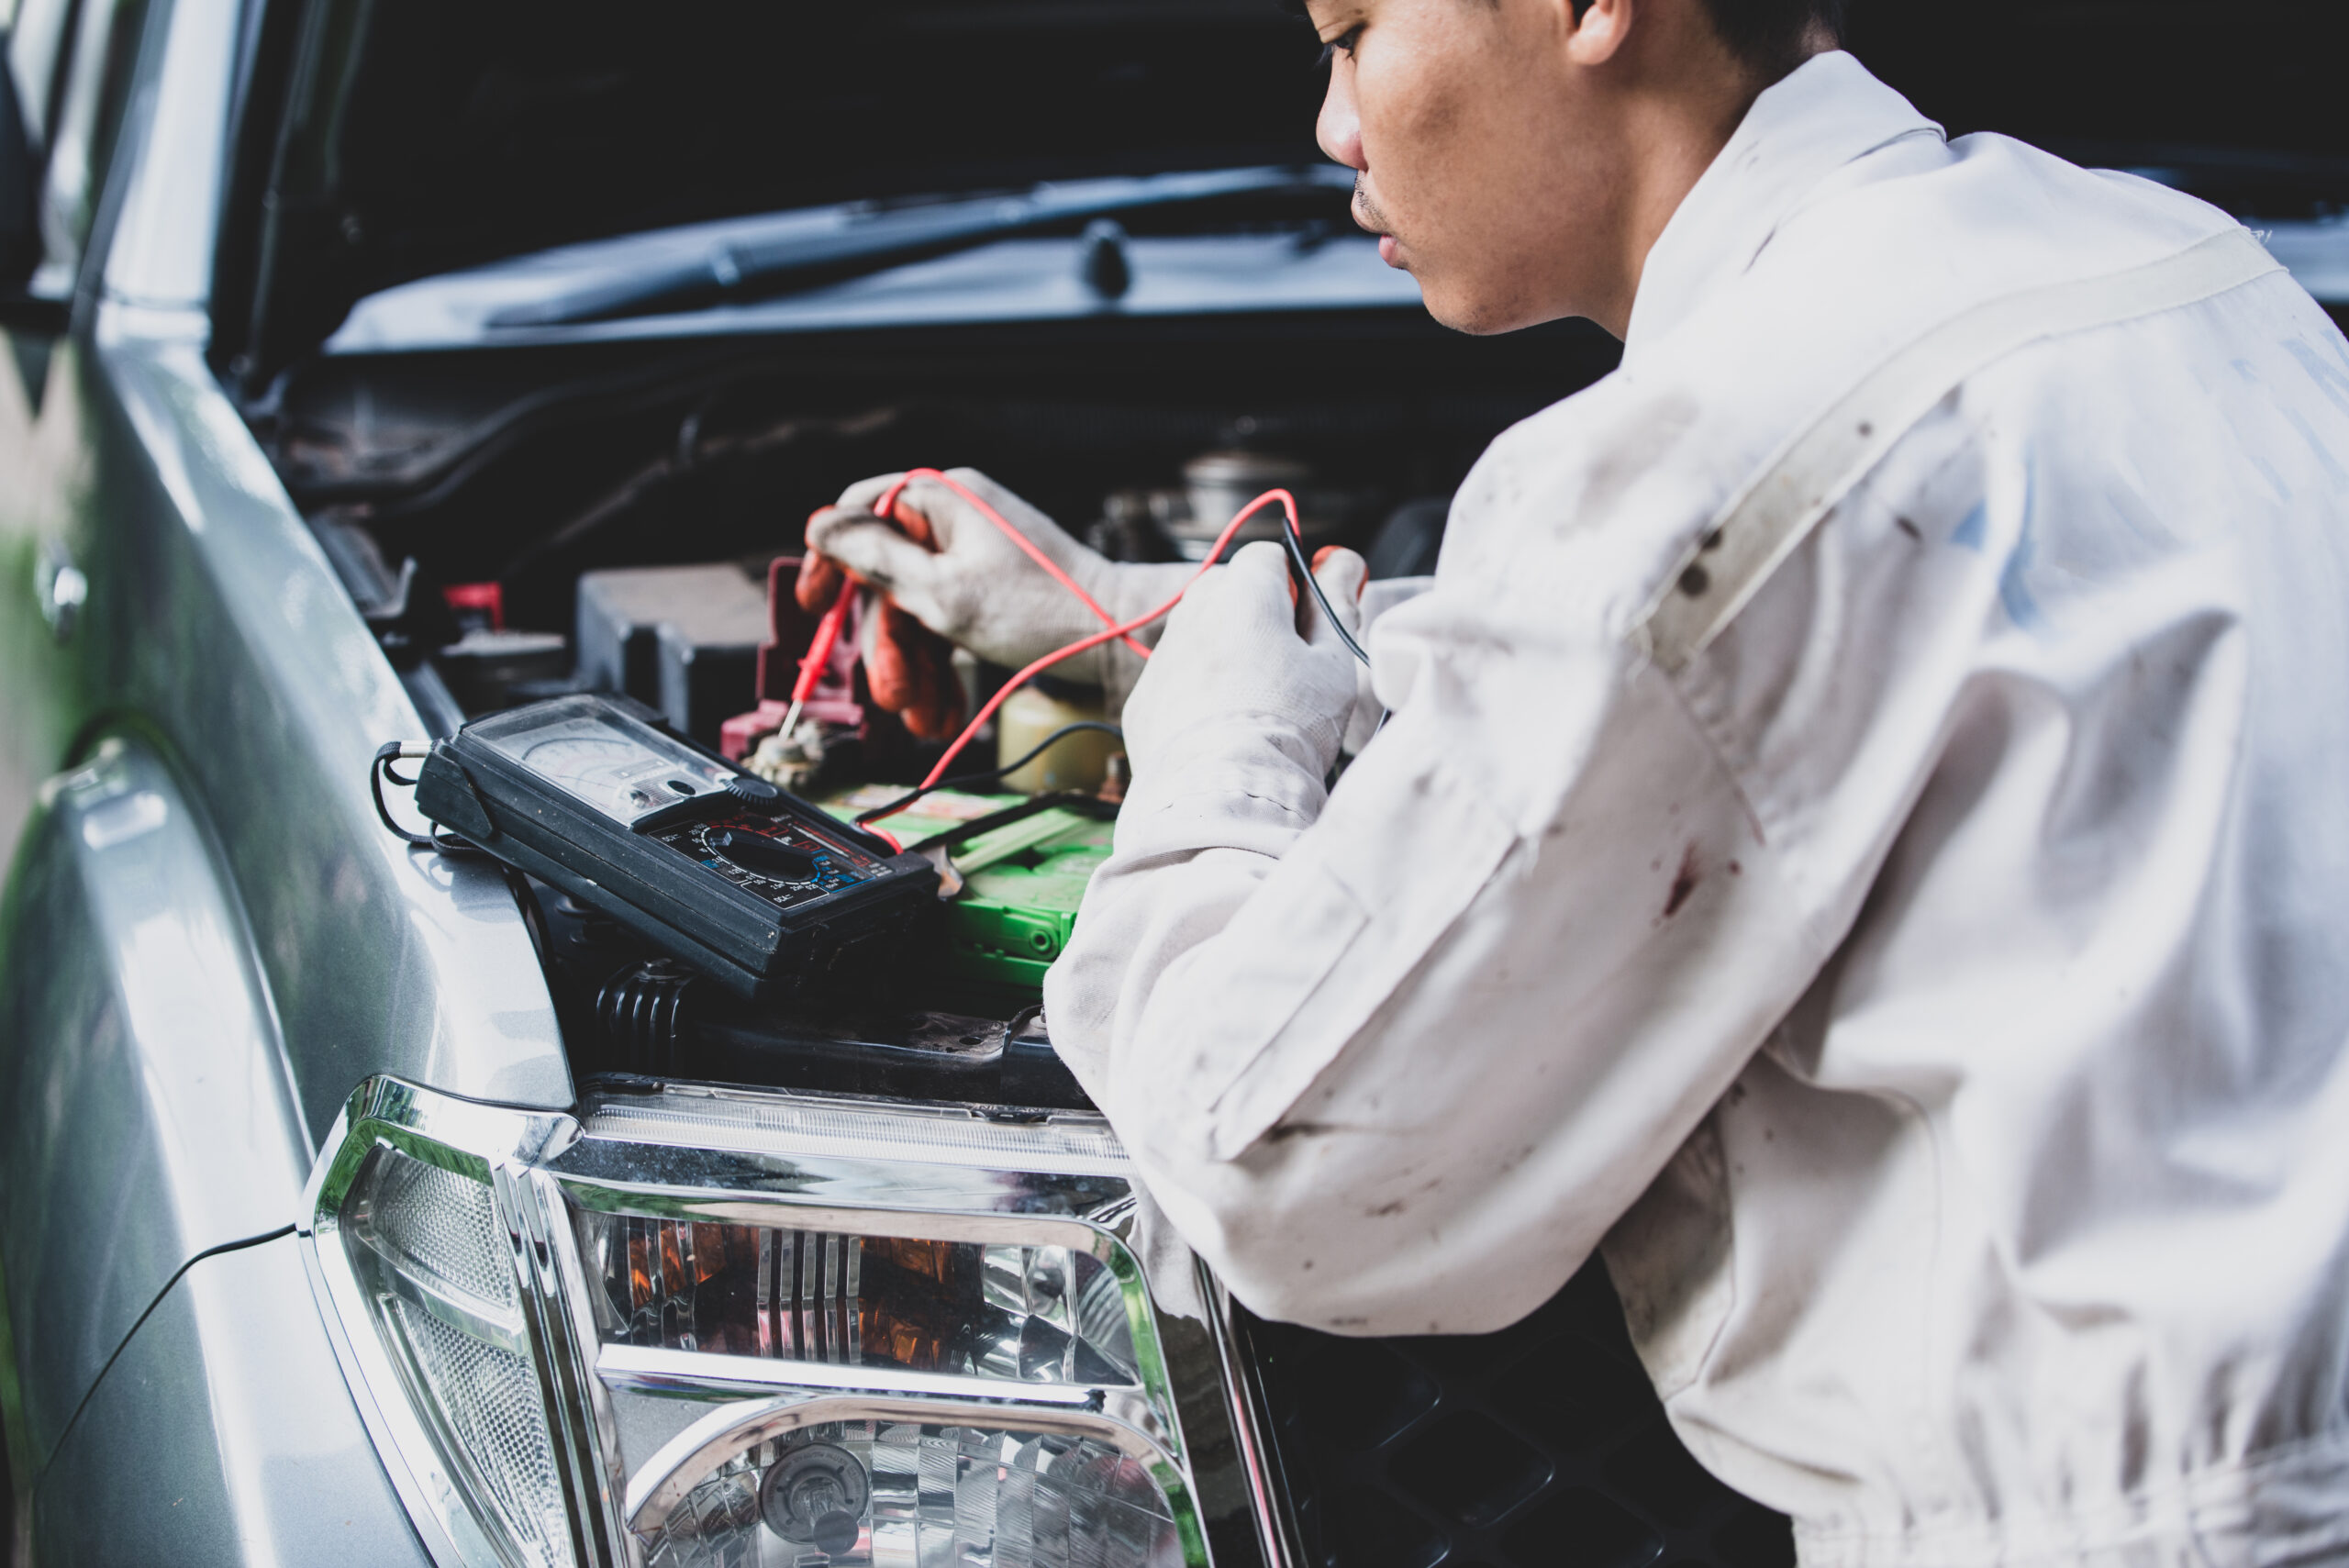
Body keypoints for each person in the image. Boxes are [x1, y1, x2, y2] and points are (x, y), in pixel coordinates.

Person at [800, 0, 2349, 1561]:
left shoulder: (1693, 460)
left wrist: (1221, 747)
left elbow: (1266, 1158)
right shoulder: (2179, 267)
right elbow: (1741, 671)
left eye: (1349, 34)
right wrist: (1124, 620)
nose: (1334, 125)